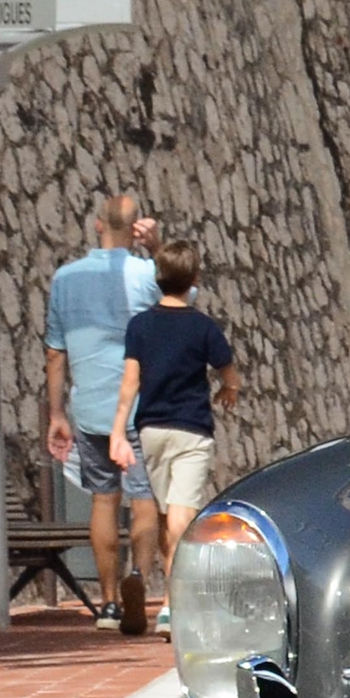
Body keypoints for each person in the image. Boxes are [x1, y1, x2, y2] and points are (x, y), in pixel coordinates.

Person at [47, 195, 163, 635]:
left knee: (103, 499)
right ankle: (140, 577)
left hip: (89, 404)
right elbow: (185, 291)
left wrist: (57, 412)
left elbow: (55, 353)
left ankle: (109, 602)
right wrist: (156, 247)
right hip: (139, 403)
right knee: (144, 498)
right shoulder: (145, 273)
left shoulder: (65, 278)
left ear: (98, 225)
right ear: (135, 227)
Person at [110, 239, 239, 634]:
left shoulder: (140, 326)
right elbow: (228, 371)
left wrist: (118, 432)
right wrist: (228, 390)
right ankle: (171, 605)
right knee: (183, 517)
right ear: (194, 280)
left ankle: (156, 589)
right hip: (192, 430)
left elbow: (130, 382)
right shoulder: (202, 327)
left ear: (157, 278)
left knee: (167, 515)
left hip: (151, 430)